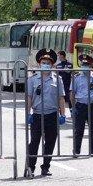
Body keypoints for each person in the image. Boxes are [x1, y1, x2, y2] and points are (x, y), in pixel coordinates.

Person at [26, 49, 67, 177]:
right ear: (39, 64)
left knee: (50, 142)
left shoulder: (57, 79)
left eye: (48, 63)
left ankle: (45, 167)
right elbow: (29, 98)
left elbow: (61, 97)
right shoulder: (32, 79)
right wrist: (28, 114)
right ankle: (30, 167)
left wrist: (63, 114)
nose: (45, 65)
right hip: (37, 114)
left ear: (52, 65)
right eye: (43, 62)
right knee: (34, 142)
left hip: (52, 114)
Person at [70, 53, 93, 157]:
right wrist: (73, 107)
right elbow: (72, 93)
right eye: (83, 64)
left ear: (90, 66)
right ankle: (76, 151)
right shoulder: (76, 77)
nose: (85, 66)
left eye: (87, 64)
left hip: (91, 105)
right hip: (80, 105)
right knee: (79, 130)